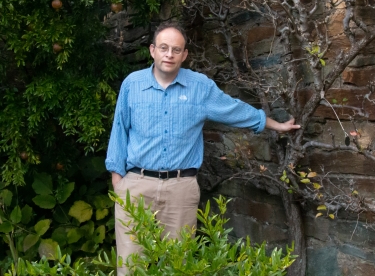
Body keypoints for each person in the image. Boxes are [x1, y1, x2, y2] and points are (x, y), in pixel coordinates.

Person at [105, 21, 300, 275]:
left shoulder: (200, 87)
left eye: (176, 49)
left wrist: (275, 125)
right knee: (130, 268)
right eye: (163, 48)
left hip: (180, 191)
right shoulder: (132, 85)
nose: (169, 54)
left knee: (180, 266)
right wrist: (119, 184)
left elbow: (234, 110)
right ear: (152, 50)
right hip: (136, 187)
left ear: (185, 55)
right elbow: (119, 131)